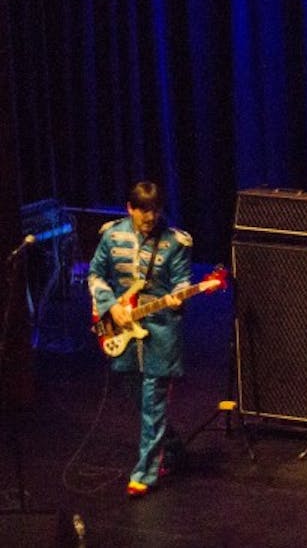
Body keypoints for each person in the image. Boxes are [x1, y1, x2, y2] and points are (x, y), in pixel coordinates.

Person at [86, 180, 193, 498]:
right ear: (129, 208)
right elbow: (95, 274)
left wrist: (177, 296)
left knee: (153, 402)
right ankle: (171, 446)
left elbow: (182, 281)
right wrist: (110, 307)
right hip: (121, 327)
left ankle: (145, 472)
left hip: (160, 331)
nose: (149, 217)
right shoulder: (112, 235)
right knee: (137, 397)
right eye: (143, 210)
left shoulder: (175, 242)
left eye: (155, 210)